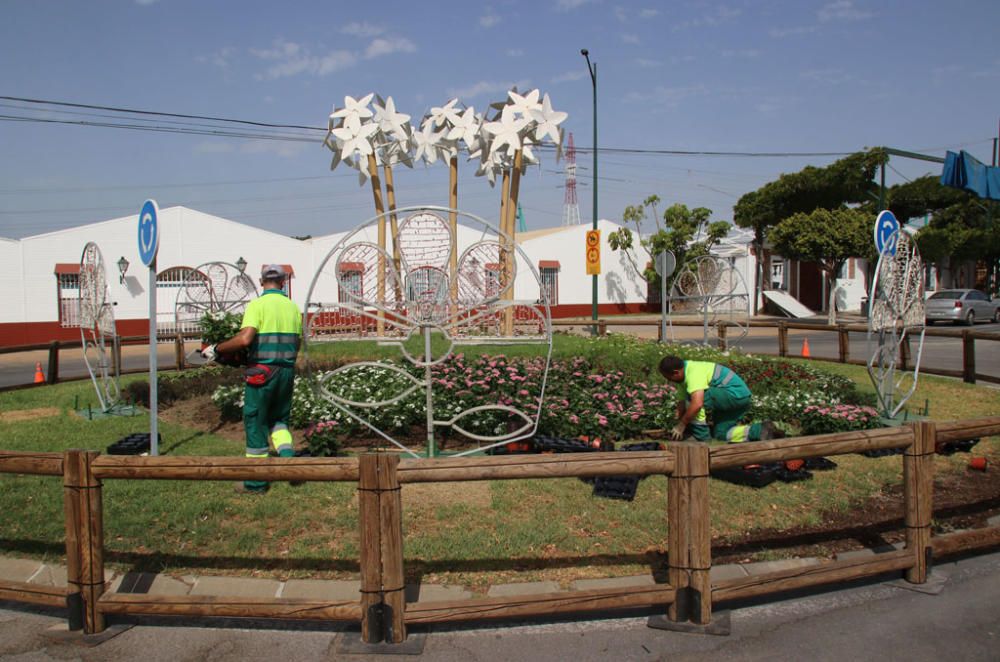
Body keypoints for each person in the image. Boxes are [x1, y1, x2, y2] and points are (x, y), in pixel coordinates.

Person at [203, 265, 302, 494]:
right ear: (284, 282)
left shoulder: (257, 305)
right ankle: (289, 460)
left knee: (255, 422)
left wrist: (217, 349)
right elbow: (296, 344)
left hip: (261, 373)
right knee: (279, 421)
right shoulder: (292, 307)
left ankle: (256, 483)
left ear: (260, 281)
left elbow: (245, 339)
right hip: (286, 372)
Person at [658, 355, 777, 443]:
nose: (668, 380)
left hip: (735, 395)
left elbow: (697, 404)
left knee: (695, 399)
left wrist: (682, 425)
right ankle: (760, 430)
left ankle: (702, 438)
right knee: (721, 434)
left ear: (675, 372)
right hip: (737, 400)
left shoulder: (693, 373)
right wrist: (676, 422)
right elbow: (681, 402)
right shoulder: (682, 376)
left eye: (667, 377)